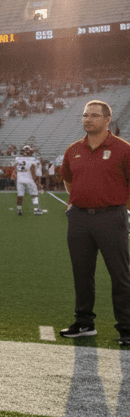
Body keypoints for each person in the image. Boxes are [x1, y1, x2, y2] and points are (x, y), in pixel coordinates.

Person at [58, 100, 130, 345]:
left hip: (111, 218)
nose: (88, 119)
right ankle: (84, 322)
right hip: (79, 218)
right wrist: (76, 201)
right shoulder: (73, 150)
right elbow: (69, 180)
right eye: (85, 115)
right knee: (82, 274)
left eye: (94, 115)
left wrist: (122, 209)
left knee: (120, 275)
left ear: (108, 120)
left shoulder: (123, 149)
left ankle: (126, 328)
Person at [14, 145, 43, 215]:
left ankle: (19, 210)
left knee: (20, 195)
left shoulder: (17, 158)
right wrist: (36, 180)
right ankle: (36, 210)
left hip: (20, 179)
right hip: (29, 179)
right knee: (35, 194)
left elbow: (15, 169)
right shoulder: (31, 159)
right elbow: (33, 170)